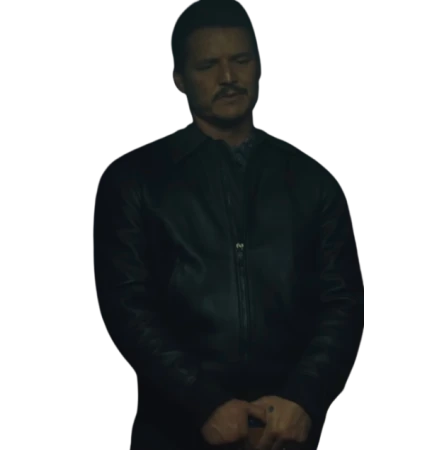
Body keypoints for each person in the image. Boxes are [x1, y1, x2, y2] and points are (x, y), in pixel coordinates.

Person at [93, 0, 365, 449]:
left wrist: (304, 397)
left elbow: (344, 300)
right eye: (208, 65)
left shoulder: (312, 178)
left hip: (288, 428)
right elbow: (124, 307)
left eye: (240, 61)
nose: (228, 77)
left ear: (258, 67)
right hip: (174, 430)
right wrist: (203, 402)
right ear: (178, 79)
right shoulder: (136, 180)